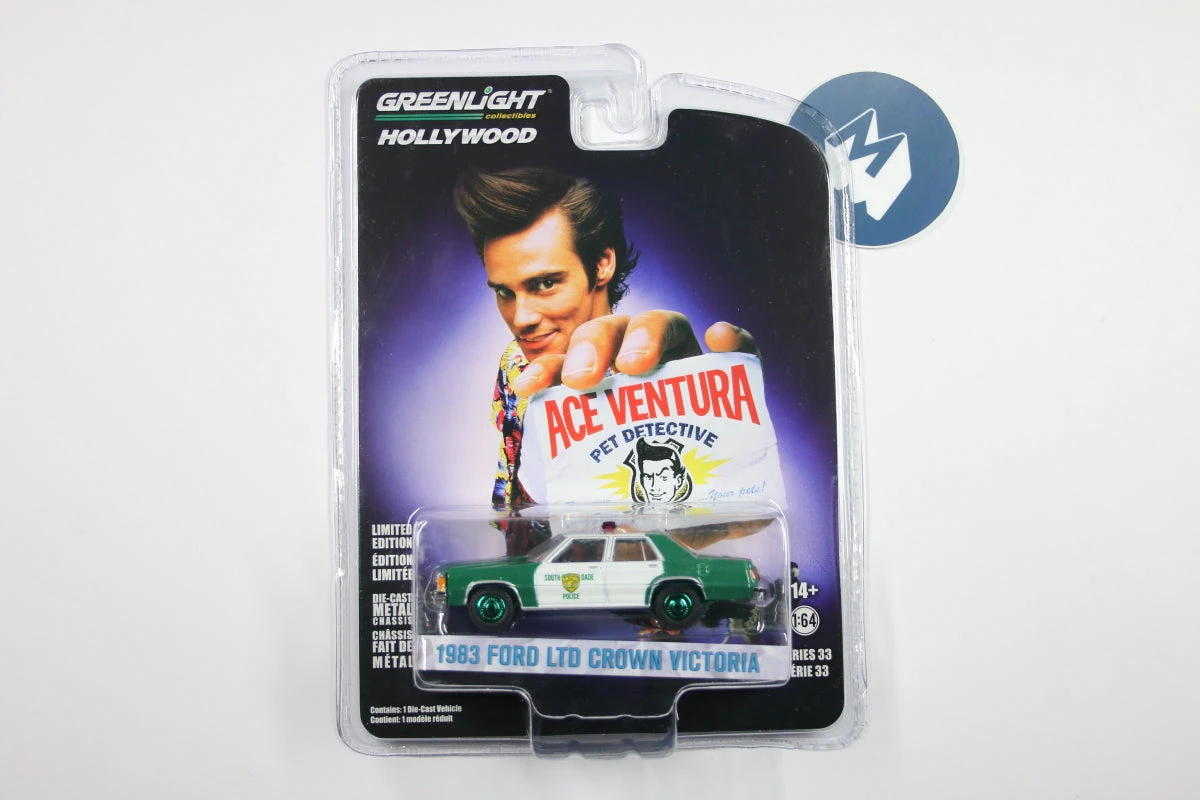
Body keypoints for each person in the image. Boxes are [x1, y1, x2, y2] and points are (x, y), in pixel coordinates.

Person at [453, 166, 758, 508]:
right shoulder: (515, 361)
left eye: (546, 283)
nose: (520, 319)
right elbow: (509, 466)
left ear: (602, 264)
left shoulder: (652, 372)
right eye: (504, 292)